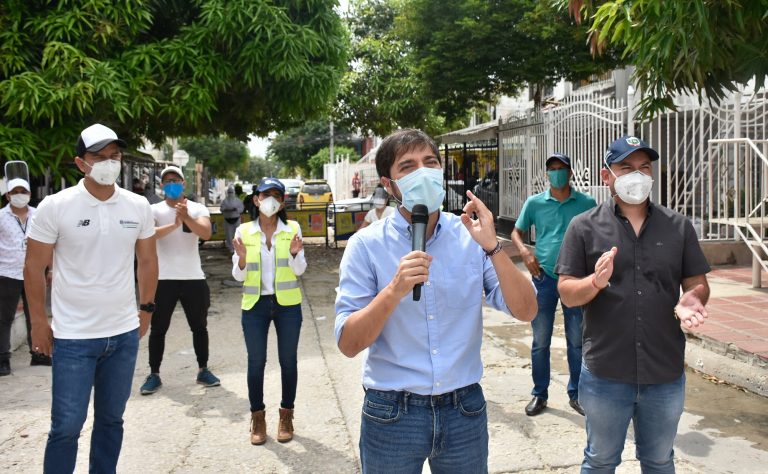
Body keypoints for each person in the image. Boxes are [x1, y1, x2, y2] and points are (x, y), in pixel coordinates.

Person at [334, 129, 537, 473]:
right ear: (389, 184)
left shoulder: (469, 236)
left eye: (430, 163)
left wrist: (493, 247)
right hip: (392, 412)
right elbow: (349, 343)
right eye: (408, 166)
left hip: (464, 410)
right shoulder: (366, 246)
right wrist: (394, 290)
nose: (423, 172)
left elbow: (527, 309)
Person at [556, 136, 710, 473]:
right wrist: (594, 283)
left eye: (644, 167)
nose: (636, 175)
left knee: (658, 460)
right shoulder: (583, 227)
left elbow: (697, 282)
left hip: (664, 372)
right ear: (605, 175)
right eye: (626, 167)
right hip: (605, 373)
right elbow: (567, 292)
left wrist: (693, 298)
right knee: (600, 460)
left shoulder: (678, 227)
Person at [24, 123, 158, 473]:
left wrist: (146, 308)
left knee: (112, 421)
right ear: (81, 163)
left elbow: (147, 260)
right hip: (73, 338)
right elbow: (33, 267)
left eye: (114, 156)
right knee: (66, 427)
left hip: (123, 335)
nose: (109, 164)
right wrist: (39, 323)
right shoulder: (55, 206)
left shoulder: (137, 205)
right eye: (99, 157)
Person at [511, 153, 596, 417]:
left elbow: (599, 233)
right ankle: (540, 394)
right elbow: (516, 231)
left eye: (561, 169)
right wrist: (525, 253)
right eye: (552, 170)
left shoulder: (586, 203)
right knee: (540, 340)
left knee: (576, 341)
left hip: (574, 280)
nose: (556, 173)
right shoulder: (535, 203)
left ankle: (577, 394)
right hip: (543, 278)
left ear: (571, 173)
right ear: (546, 174)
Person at [231, 177, 306, 445]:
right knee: (256, 362)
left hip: (287, 304)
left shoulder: (293, 228)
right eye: (266, 194)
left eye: (276, 195)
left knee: (288, 361)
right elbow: (238, 276)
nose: (270, 200)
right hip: (255, 305)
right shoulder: (244, 232)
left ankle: (286, 415)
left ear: (283, 201)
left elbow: (299, 271)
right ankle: (258, 418)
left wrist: (296, 253)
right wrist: (240, 259)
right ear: (256, 199)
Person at [139, 166, 219, 395]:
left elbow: (205, 233)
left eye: (175, 180)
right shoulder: (154, 209)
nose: (171, 184)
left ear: (184, 183)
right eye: (167, 181)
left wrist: (186, 218)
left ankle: (203, 369)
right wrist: (174, 224)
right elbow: (149, 234)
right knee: (158, 328)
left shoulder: (197, 208)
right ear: (161, 185)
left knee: (199, 327)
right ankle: (154, 374)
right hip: (163, 279)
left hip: (193, 277)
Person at [0, 178, 51, 376]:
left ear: (30, 194)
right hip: (7, 272)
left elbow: (49, 243)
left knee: (36, 313)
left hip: (35, 271)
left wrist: (51, 269)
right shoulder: (1, 216)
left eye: (23, 191)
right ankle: (3, 358)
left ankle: (39, 353)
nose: (20, 194)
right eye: (16, 191)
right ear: (8, 195)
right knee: (4, 318)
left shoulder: (38, 215)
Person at [220, 186, 245, 252]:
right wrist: (226, 210)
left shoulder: (238, 201)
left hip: (236, 219)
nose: (230, 194)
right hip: (227, 220)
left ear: (234, 192)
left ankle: (238, 247)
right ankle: (231, 248)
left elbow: (241, 209)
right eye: (229, 192)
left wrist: (236, 209)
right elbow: (221, 209)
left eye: (231, 192)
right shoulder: (224, 201)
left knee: (237, 234)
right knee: (229, 235)